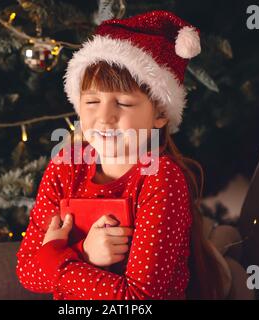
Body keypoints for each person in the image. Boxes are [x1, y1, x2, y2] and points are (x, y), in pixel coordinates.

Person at [16, 10, 224, 300]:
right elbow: (28, 271)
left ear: (160, 114)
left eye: (123, 103)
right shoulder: (65, 167)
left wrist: (56, 260)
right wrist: (83, 252)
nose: (104, 117)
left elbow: (140, 300)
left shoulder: (160, 179)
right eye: (91, 101)